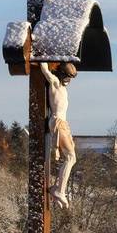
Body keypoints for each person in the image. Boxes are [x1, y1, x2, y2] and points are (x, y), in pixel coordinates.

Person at [39, 62, 77, 208]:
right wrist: (43, 56)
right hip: (57, 122)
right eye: (68, 77)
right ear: (62, 75)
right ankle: (60, 191)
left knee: (71, 158)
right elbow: (44, 69)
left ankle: (58, 189)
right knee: (70, 157)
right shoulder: (55, 82)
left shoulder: (63, 88)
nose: (69, 81)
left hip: (63, 123)